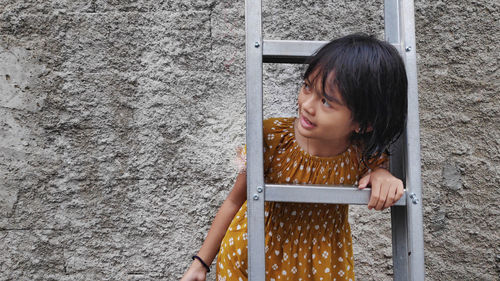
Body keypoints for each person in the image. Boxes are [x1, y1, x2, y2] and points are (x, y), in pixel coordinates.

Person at [181, 33, 408, 281]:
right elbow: (234, 201)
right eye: (307, 86)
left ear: (363, 124)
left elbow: (380, 170)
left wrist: (384, 175)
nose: (307, 105)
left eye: (327, 101)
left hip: (323, 266)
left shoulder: (360, 155)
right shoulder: (271, 137)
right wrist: (201, 263)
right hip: (251, 256)